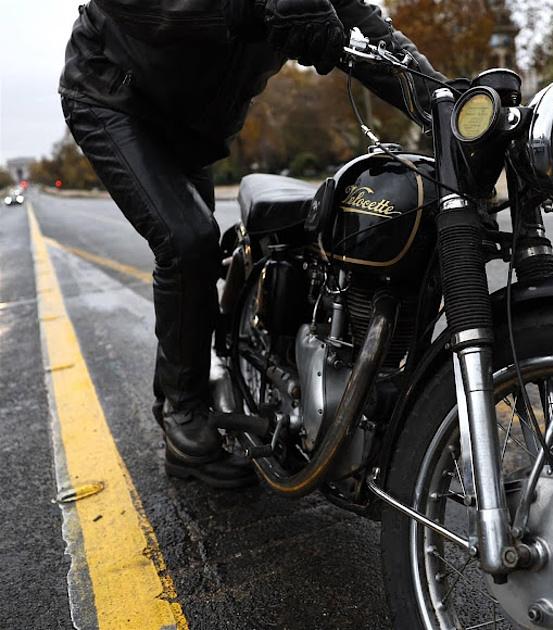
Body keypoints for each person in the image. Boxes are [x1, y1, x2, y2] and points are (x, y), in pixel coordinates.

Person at [59, 0, 444, 488]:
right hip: (113, 96)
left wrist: (447, 103)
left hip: (192, 126)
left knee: (195, 264)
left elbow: (370, 31)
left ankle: (175, 397)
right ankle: (183, 417)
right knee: (188, 243)